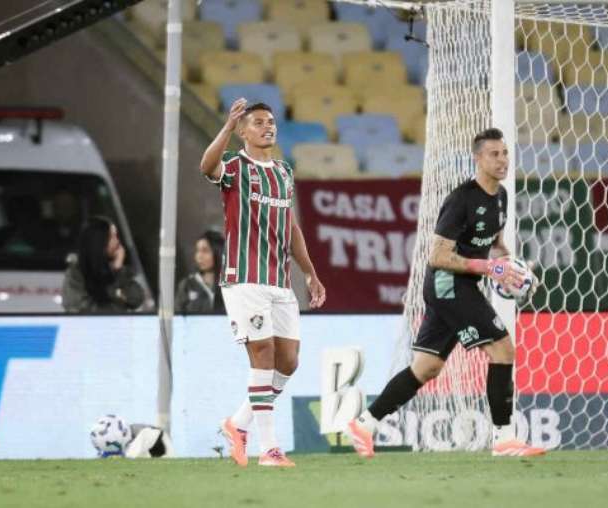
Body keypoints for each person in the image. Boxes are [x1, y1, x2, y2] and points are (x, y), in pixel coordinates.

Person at [346, 128, 546, 458]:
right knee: (502, 349)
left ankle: (363, 425)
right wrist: (488, 268)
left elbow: (495, 245)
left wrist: (513, 269)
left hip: (460, 285)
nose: (502, 160)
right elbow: (438, 256)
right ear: (478, 158)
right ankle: (504, 439)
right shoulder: (461, 199)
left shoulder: (501, 196)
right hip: (447, 284)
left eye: (505, 153)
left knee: (426, 367)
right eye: (494, 154)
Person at [199, 98, 326, 468]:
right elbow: (206, 166)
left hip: (279, 280)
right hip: (244, 279)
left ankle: (238, 423)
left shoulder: (284, 172)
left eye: (270, 121)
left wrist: (310, 272)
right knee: (263, 354)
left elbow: (291, 226)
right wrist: (226, 126)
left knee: (288, 361)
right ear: (243, 131)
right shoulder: (235, 166)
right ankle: (269, 449)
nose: (267, 127)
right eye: (258, 122)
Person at [62, 216, 145, 313]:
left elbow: (136, 299)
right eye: (112, 237)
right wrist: (117, 294)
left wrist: (118, 269)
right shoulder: (75, 273)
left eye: (116, 236)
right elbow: (82, 309)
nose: (117, 241)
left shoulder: (114, 269)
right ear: (98, 241)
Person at [175, 230, 225, 313]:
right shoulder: (187, 285)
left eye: (205, 251)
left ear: (218, 252)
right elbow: (177, 316)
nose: (199, 256)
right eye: (197, 251)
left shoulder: (229, 285)